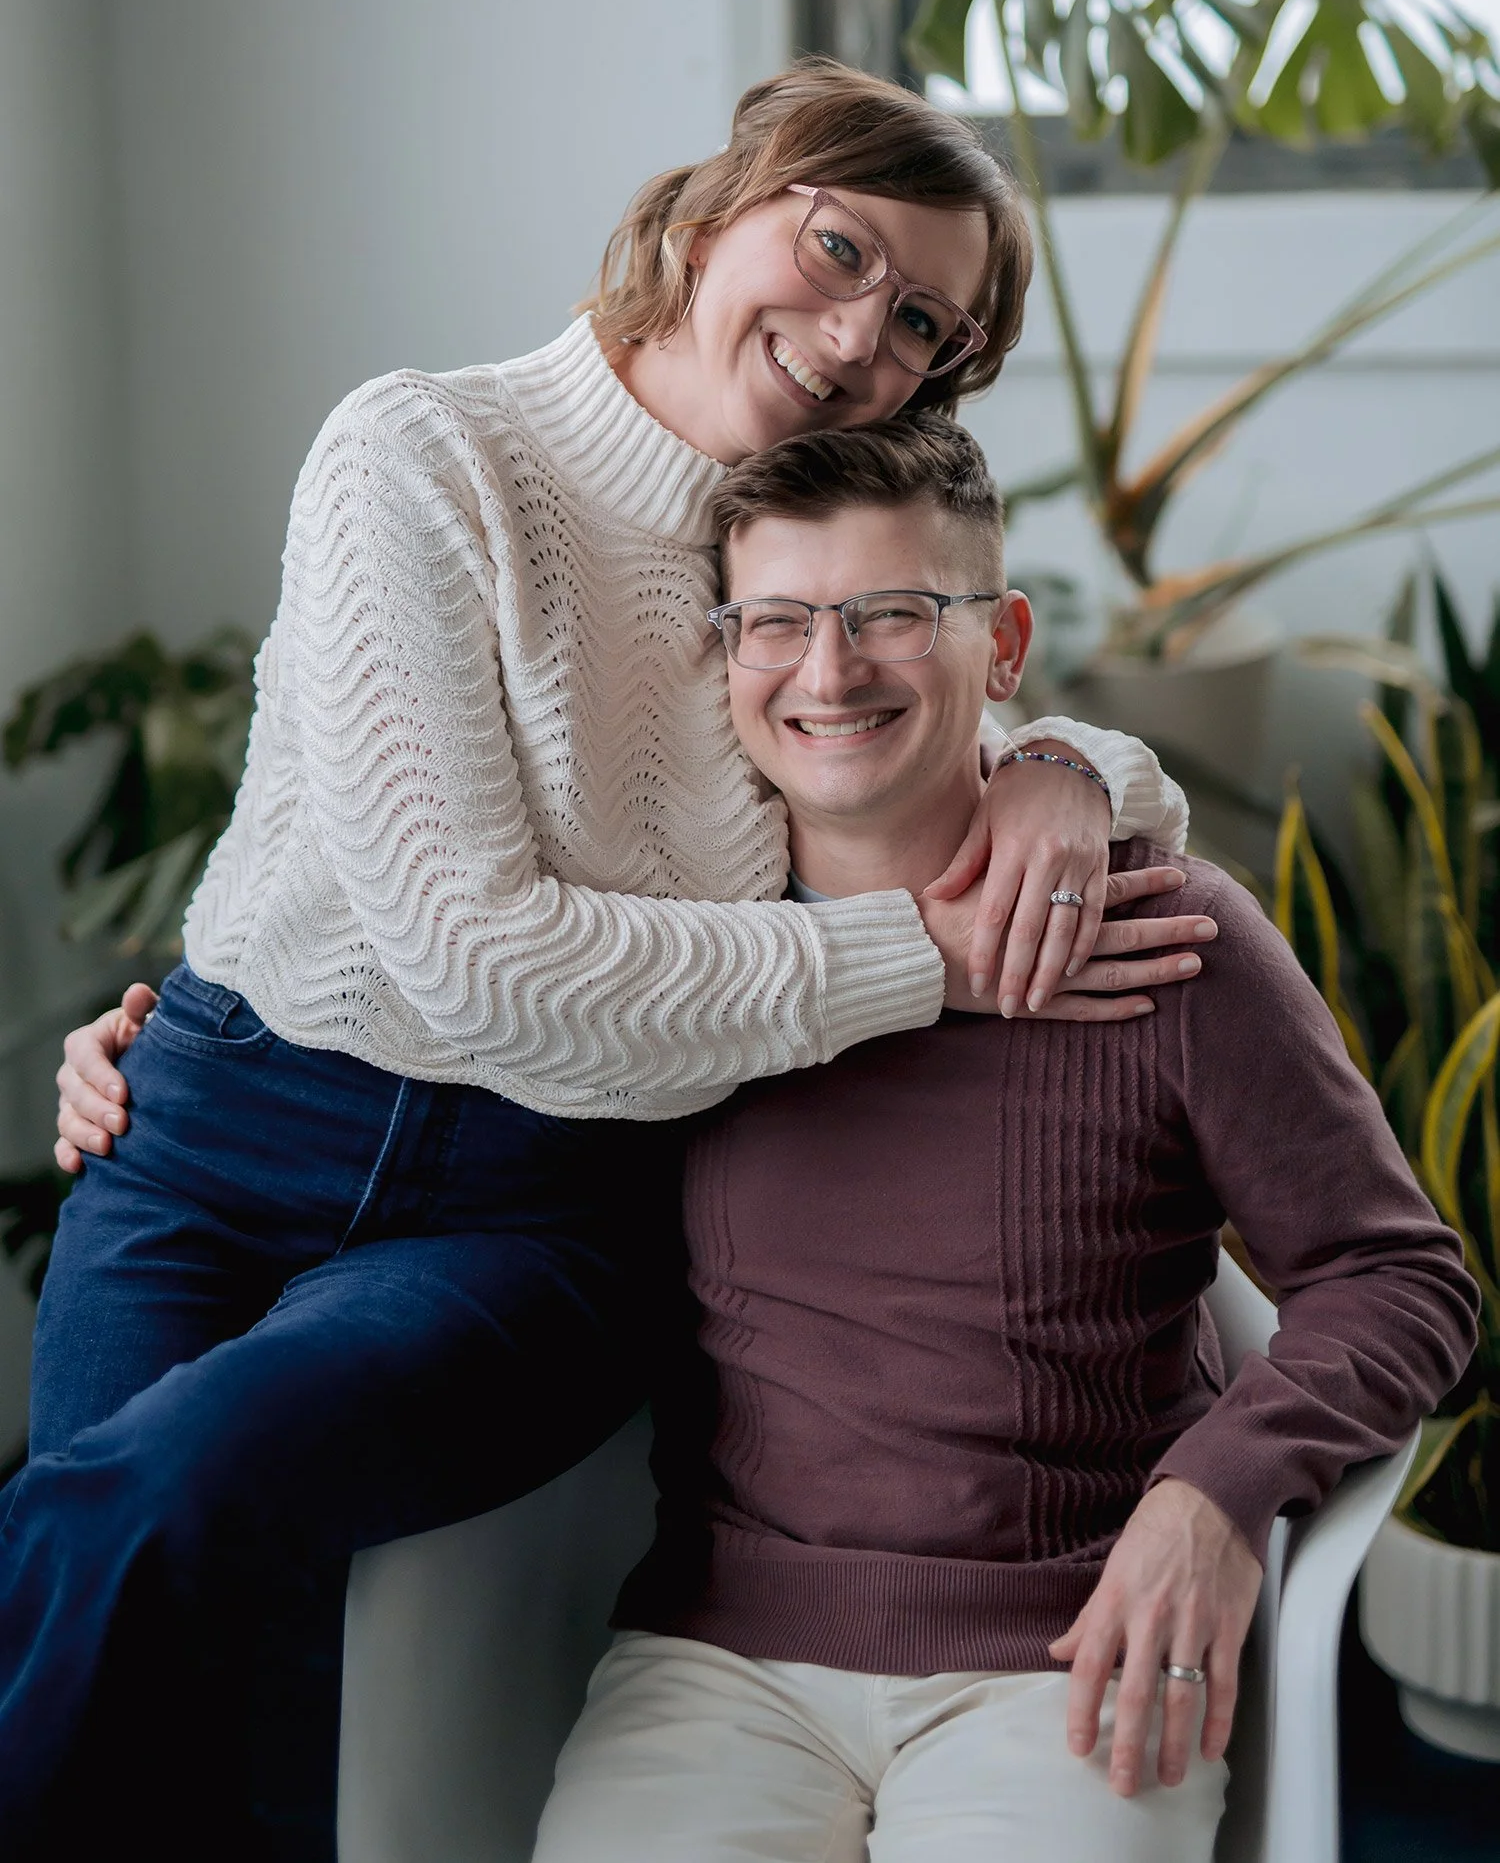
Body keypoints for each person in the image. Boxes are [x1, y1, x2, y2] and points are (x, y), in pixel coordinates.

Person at [15, 63, 1208, 1859]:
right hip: (211, 1132)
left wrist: (1065, 766)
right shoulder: (422, 452)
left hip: (542, 1208)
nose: (857, 334)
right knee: (143, 1651)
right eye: (837, 248)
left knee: (172, 1491)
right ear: (728, 198)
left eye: (922, 329)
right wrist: (920, 962)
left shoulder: (779, 569)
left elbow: (972, 719)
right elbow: (472, 954)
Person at [530, 415, 1478, 1863]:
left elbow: (1403, 1277)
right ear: (728, 659)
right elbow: (423, 1037)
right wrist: (151, 1046)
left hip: (1066, 1648)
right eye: (775, 622)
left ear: (1004, 643)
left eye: (892, 615)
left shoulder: (1170, 937)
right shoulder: (674, 956)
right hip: (721, 1655)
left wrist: (1212, 1496)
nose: (828, 672)